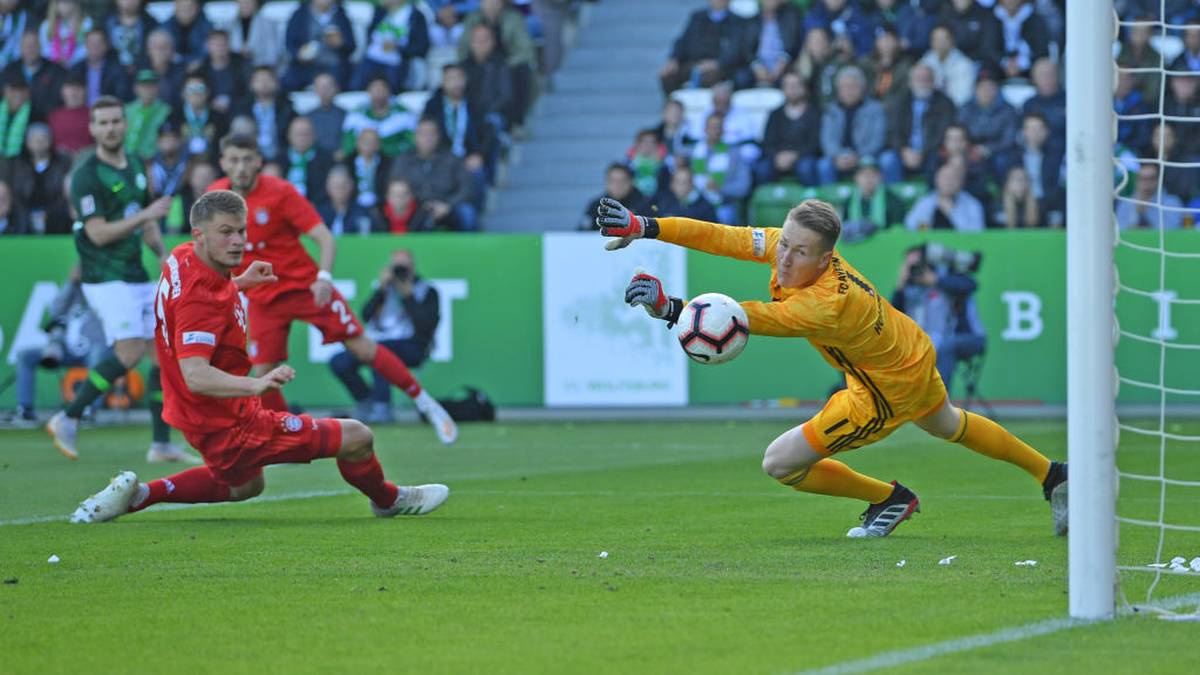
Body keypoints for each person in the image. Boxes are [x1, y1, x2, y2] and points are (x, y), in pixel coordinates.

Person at [593, 198, 1068, 538]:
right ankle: (1052, 475)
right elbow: (724, 236)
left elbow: (742, 319)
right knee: (947, 423)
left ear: (826, 259)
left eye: (800, 253)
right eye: (785, 244)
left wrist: (672, 306)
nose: (785, 257)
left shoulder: (826, 305)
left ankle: (889, 497)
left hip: (884, 390)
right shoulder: (796, 247)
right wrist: (644, 225)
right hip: (910, 350)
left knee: (780, 464)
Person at [68, 189, 450, 524]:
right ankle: (388, 500)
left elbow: (197, 302)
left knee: (245, 485)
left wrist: (238, 282)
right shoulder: (201, 298)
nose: (238, 242)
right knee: (356, 437)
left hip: (202, 414)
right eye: (227, 233)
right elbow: (195, 373)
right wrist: (258, 383)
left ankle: (139, 496)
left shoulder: (183, 257)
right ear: (200, 234)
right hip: (226, 422)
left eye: (242, 231)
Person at [209, 134, 458, 444]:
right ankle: (284, 441)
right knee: (262, 375)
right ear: (222, 163)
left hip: (306, 288)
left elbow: (325, 237)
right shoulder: (214, 198)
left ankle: (426, 403)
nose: (241, 167)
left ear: (259, 161)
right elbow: (206, 248)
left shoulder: (280, 193)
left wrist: (324, 278)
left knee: (362, 347)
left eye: (247, 159)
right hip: (262, 298)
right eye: (233, 160)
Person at [45, 96, 192, 464]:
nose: (110, 128)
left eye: (115, 121)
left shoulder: (136, 168)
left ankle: (160, 444)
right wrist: (145, 214)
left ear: (125, 125)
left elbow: (146, 222)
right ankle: (68, 416)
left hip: (135, 273)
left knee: (162, 355)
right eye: (103, 123)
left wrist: (161, 255)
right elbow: (96, 234)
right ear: (93, 129)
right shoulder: (87, 174)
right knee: (128, 352)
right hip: (103, 277)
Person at [330, 248, 439, 422]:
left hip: (412, 345)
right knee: (339, 361)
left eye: (404, 267)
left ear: (413, 267)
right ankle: (366, 400)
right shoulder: (384, 289)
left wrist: (407, 295)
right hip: (378, 341)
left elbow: (425, 325)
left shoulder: (427, 291)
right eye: (397, 267)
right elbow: (365, 316)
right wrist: (380, 289)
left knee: (379, 352)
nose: (400, 272)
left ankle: (383, 407)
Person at [10, 265, 106, 424]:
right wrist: (70, 282)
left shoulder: (103, 290)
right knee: (25, 355)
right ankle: (25, 409)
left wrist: (94, 284)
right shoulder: (71, 293)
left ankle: (90, 409)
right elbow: (56, 311)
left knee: (98, 356)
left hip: (94, 348)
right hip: (65, 349)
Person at [891, 245, 986, 394]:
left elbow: (970, 284)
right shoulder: (908, 290)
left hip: (956, 339)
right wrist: (900, 283)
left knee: (946, 346)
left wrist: (935, 280)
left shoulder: (946, 278)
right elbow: (892, 315)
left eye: (918, 264)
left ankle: (939, 402)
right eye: (911, 266)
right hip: (925, 344)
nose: (917, 270)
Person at [388, 119, 477, 231]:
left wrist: (448, 205)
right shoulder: (404, 160)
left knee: (467, 212)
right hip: (413, 207)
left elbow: (467, 188)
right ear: (415, 137)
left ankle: (467, 248)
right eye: (423, 134)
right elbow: (395, 185)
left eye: (431, 133)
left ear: (438, 136)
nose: (427, 138)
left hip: (447, 206)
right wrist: (414, 204)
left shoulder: (452, 159)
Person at [658, 0, 748, 94]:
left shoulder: (737, 22)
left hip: (719, 67)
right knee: (667, 76)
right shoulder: (697, 17)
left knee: (708, 77)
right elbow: (682, 41)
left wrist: (717, 63)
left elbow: (736, 49)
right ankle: (674, 106)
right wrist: (673, 59)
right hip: (693, 64)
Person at [0, 123, 73, 233]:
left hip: (56, 214)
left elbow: (65, 192)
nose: (39, 142)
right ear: (27, 141)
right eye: (34, 138)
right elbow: (10, 191)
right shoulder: (15, 164)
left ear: (50, 140)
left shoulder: (63, 162)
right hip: (20, 213)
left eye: (43, 138)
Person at [755, 72, 821, 186]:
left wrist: (795, 155)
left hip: (803, 156)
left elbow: (815, 143)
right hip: (778, 157)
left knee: (806, 168)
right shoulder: (775, 114)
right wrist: (777, 156)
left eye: (796, 85)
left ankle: (810, 201)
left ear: (804, 88)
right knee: (762, 169)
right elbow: (767, 141)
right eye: (788, 86)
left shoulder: (814, 113)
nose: (792, 89)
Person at [903, 160, 986, 232]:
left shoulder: (972, 204)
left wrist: (952, 212)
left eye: (953, 179)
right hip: (931, 246)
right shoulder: (926, 201)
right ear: (937, 180)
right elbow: (911, 226)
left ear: (961, 182)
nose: (948, 182)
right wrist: (926, 226)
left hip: (961, 248)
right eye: (945, 178)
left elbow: (976, 234)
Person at [580, 163, 651, 230]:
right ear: (607, 183)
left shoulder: (645, 205)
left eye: (622, 181)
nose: (617, 185)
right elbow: (584, 233)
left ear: (631, 182)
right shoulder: (596, 206)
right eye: (613, 181)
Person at [1116, 162, 1185, 230]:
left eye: (1151, 178)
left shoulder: (1172, 203)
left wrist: (1147, 210)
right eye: (1142, 179)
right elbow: (1120, 231)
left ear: (1159, 180)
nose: (1146, 183)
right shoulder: (1125, 204)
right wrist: (1136, 214)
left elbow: (1172, 230)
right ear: (1136, 181)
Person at [124, 69, 171, 161]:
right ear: (136, 88)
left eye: (151, 85)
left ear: (157, 88)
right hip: (126, 158)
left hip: (152, 160)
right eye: (143, 86)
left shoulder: (166, 111)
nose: (147, 89)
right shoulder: (127, 109)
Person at [318, 165, 378, 236]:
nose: (339, 190)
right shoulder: (319, 214)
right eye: (335, 186)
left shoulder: (362, 213)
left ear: (351, 185)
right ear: (327, 187)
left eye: (343, 185)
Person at [651, 165, 718, 222]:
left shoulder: (705, 207)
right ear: (671, 185)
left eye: (685, 182)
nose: (681, 186)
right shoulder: (664, 203)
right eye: (678, 182)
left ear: (691, 184)